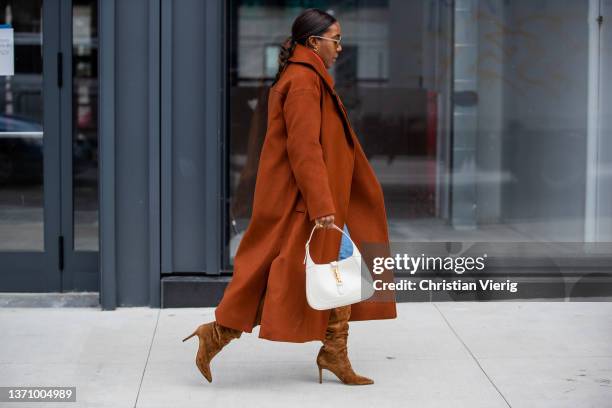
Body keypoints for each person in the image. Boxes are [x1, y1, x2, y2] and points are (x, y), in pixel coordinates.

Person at [183, 8, 397, 386]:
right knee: (289, 275)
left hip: (315, 198)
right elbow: (304, 148)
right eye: (335, 40)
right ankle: (218, 333)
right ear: (314, 42)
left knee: (335, 271)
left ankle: (332, 352)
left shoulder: (308, 77)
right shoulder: (303, 81)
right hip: (306, 202)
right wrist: (322, 205)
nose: (340, 48)